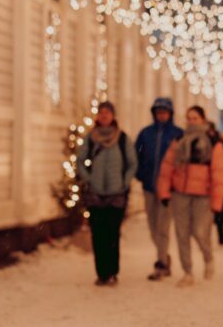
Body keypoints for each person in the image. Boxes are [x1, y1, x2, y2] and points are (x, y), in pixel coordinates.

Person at [157, 105, 223, 287]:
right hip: (180, 193)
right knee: (182, 233)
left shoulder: (213, 142)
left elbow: (219, 174)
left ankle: (208, 257)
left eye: (195, 118)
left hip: (203, 196)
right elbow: (167, 168)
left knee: (199, 231)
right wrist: (164, 191)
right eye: (189, 118)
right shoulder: (179, 141)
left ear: (203, 120)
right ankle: (187, 271)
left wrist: (217, 202)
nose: (191, 121)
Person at [76, 101, 137, 286]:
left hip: (116, 193)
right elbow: (80, 160)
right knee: (98, 234)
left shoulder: (122, 139)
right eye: (101, 113)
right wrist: (88, 178)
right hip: (95, 193)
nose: (104, 116)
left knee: (112, 233)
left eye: (107, 113)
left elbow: (132, 163)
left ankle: (112, 271)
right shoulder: (90, 138)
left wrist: (124, 182)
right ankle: (101, 272)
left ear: (113, 116)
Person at [135, 97, 184, 281]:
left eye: (164, 112)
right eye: (158, 112)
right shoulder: (145, 134)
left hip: (168, 190)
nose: (161, 115)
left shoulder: (178, 134)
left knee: (163, 227)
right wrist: (140, 173)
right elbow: (136, 154)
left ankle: (161, 263)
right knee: (152, 226)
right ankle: (164, 255)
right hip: (149, 185)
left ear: (170, 113)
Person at [207, 121, 223, 245]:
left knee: (219, 209)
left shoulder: (219, 144)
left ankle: (220, 234)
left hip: (218, 180)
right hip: (204, 182)